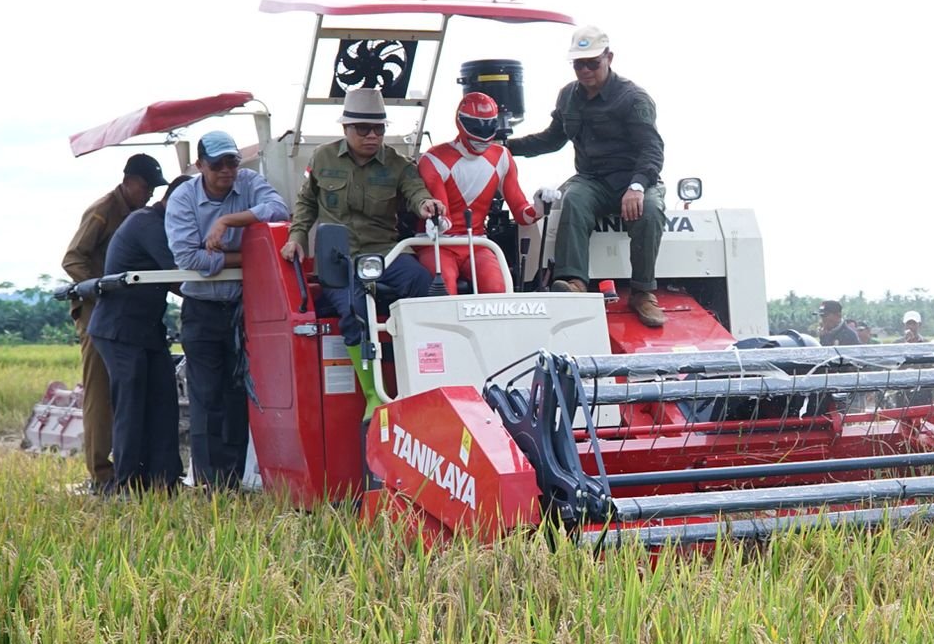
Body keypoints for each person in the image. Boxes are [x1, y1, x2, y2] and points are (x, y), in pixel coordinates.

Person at [280, 88, 446, 416]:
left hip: (387, 253)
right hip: (339, 256)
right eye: (363, 129)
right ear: (346, 129)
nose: (372, 135)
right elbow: (307, 203)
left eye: (379, 129)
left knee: (425, 289)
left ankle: (421, 382)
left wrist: (428, 204)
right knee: (354, 310)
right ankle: (373, 396)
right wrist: (296, 236)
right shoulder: (322, 158)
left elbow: (416, 192)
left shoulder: (398, 164)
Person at [509, 25, 667, 328]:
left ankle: (643, 292)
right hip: (592, 179)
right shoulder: (568, 96)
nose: (585, 70)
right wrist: (504, 147)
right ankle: (575, 282)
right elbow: (552, 139)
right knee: (574, 199)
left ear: (609, 57)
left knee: (648, 211)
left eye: (592, 62)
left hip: (633, 178)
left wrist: (636, 186)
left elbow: (652, 150)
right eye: (578, 63)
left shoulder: (633, 98)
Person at [167, 131, 289, 490]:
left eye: (232, 162)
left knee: (239, 393)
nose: (226, 170)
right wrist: (251, 256)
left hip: (242, 307)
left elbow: (279, 209)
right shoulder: (183, 199)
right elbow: (189, 257)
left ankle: (233, 478)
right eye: (217, 164)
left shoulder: (249, 182)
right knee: (206, 394)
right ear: (200, 166)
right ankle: (209, 481)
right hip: (201, 308)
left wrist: (229, 222)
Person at [61, 153, 170, 491]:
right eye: (145, 186)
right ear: (127, 181)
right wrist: (103, 290)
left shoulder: (141, 216)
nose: (150, 192)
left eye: (154, 188)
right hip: (98, 310)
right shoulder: (104, 210)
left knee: (128, 392)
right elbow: (73, 257)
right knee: (99, 392)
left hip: (129, 315)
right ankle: (100, 472)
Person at [89, 175, 192, 494]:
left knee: (163, 400)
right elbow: (179, 273)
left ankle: (164, 479)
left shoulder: (162, 223)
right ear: (175, 203)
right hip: (120, 329)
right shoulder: (146, 222)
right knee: (132, 404)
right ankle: (126, 482)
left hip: (147, 329)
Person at [416, 92, 545, 295]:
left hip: (476, 243)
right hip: (436, 244)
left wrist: (539, 208)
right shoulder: (434, 158)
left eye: (489, 126)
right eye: (477, 127)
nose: (483, 135)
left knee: (497, 287)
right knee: (443, 288)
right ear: (460, 123)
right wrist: (438, 223)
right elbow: (443, 219)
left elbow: (522, 213)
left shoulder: (502, 157)